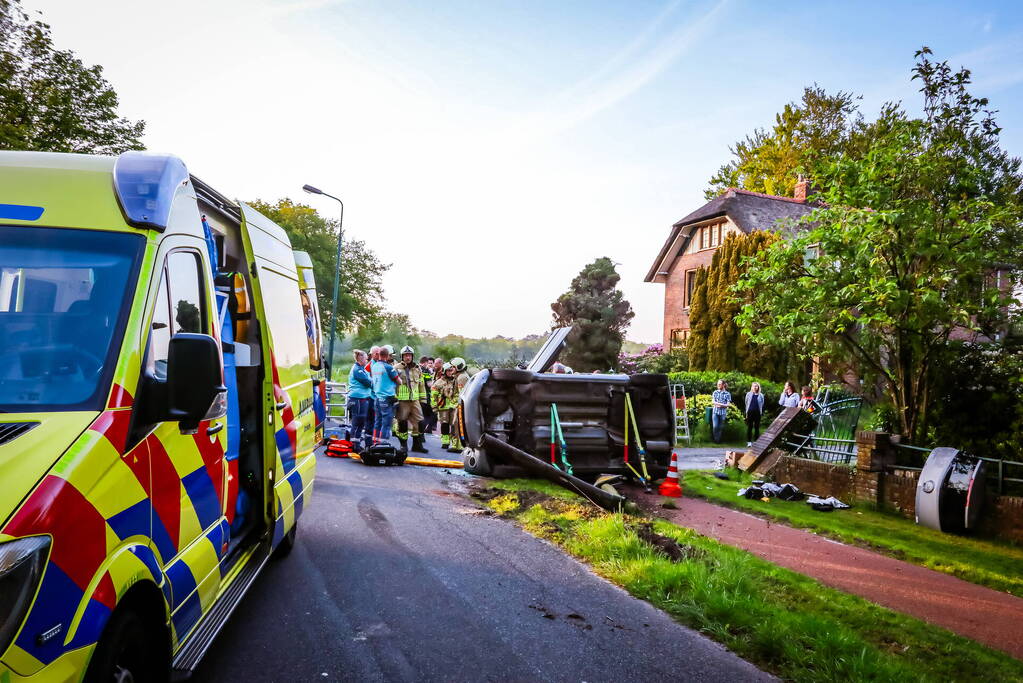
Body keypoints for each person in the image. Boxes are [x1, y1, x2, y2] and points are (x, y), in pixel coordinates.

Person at [393, 345, 429, 454]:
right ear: (402, 356)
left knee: (420, 423)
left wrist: (423, 400)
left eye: (409, 355)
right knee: (402, 424)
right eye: (405, 355)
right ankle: (403, 445)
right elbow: (393, 385)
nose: (407, 357)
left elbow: (421, 385)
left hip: (415, 401)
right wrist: (394, 400)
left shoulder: (417, 369)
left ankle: (417, 445)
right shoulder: (396, 368)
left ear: (412, 356)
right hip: (402, 401)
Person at [371, 344, 400, 446]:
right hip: (387, 397)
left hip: (377, 397)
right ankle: (383, 443)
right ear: (387, 356)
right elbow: (399, 381)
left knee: (377, 420)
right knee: (386, 422)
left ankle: (375, 441)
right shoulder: (388, 367)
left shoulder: (374, 366)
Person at [347, 349, 373, 448]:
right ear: (360, 358)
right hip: (357, 398)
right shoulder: (357, 370)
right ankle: (354, 444)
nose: (367, 360)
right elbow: (368, 382)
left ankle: (356, 443)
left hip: (362, 398)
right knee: (357, 421)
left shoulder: (362, 369)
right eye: (366, 358)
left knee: (361, 421)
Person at [432, 363, 461, 450]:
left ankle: (454, 443)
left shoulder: (456, 381)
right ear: (444, 371)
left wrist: (454, 403)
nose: (450, 372)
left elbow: (458, 393)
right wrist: (434, 406)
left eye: (451, 370)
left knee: (454, 425)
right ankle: (445, 442)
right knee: (444, 424)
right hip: (442, 407)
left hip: (453, 407)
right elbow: (434, 396)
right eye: (448, 370)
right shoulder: (438, 382)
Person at [448, 357, 471, 454]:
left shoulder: (462, 378)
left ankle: (459, 446)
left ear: (458, 367)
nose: (450, 369)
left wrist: (458, 406)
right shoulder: (460, 376)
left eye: (453, 367)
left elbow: (462, 394)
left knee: (458, 424)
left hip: (461, 406)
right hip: (459, 405)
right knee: (455, 424)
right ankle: (456, 445)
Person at [744, 381, 765, 447]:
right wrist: (747, 412)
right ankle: (749, 442)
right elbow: (746, 402)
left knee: (757, 427)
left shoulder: (761, 395)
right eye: (754, 386)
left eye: (756, 386)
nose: (755, 387)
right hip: (750, 412)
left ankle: (756, 441)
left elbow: (762, 404)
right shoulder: (748, 394)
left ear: (758, 387)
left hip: (757, 413)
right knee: (749, 427)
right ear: (752, 387)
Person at [711, 379, 731, 444]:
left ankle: (718, 441)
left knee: (720, 427)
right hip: (715, 412)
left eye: (719, 384)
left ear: (723, 385)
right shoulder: (715, 392)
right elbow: (713, 402)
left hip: (723, 413)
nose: (718, 385)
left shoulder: (727, 394)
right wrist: (722, 404)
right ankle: (715, 439)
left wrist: (720, 405)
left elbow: (727, 405)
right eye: (718, 384)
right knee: (715, 426)